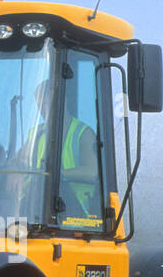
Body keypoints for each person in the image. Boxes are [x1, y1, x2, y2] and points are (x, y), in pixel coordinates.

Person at [16, 81, 101, 219]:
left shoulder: (83, 133)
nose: (42, 109)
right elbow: (16, 161)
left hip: (74, 211)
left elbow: (92, 172)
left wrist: (56, 175)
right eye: (39, 104)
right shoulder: (36, 133)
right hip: (32, 207)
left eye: (46, 102)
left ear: (63, 100)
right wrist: (16, 175)